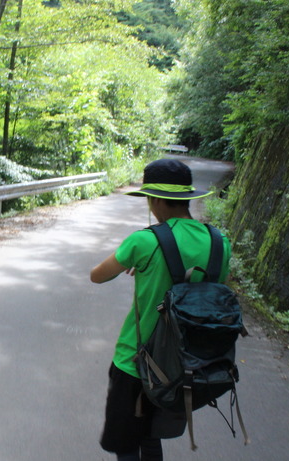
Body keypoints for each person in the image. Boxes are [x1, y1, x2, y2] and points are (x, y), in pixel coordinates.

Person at [90, 158, 231, 461]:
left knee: (126, 444)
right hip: (187, 365)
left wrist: (140, 261)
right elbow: (215, 286)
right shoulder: (220, 243)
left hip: (136, 363)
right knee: (152, 437)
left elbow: (97, 275)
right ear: (187, 199)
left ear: (154, 199)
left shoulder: (144, 241)